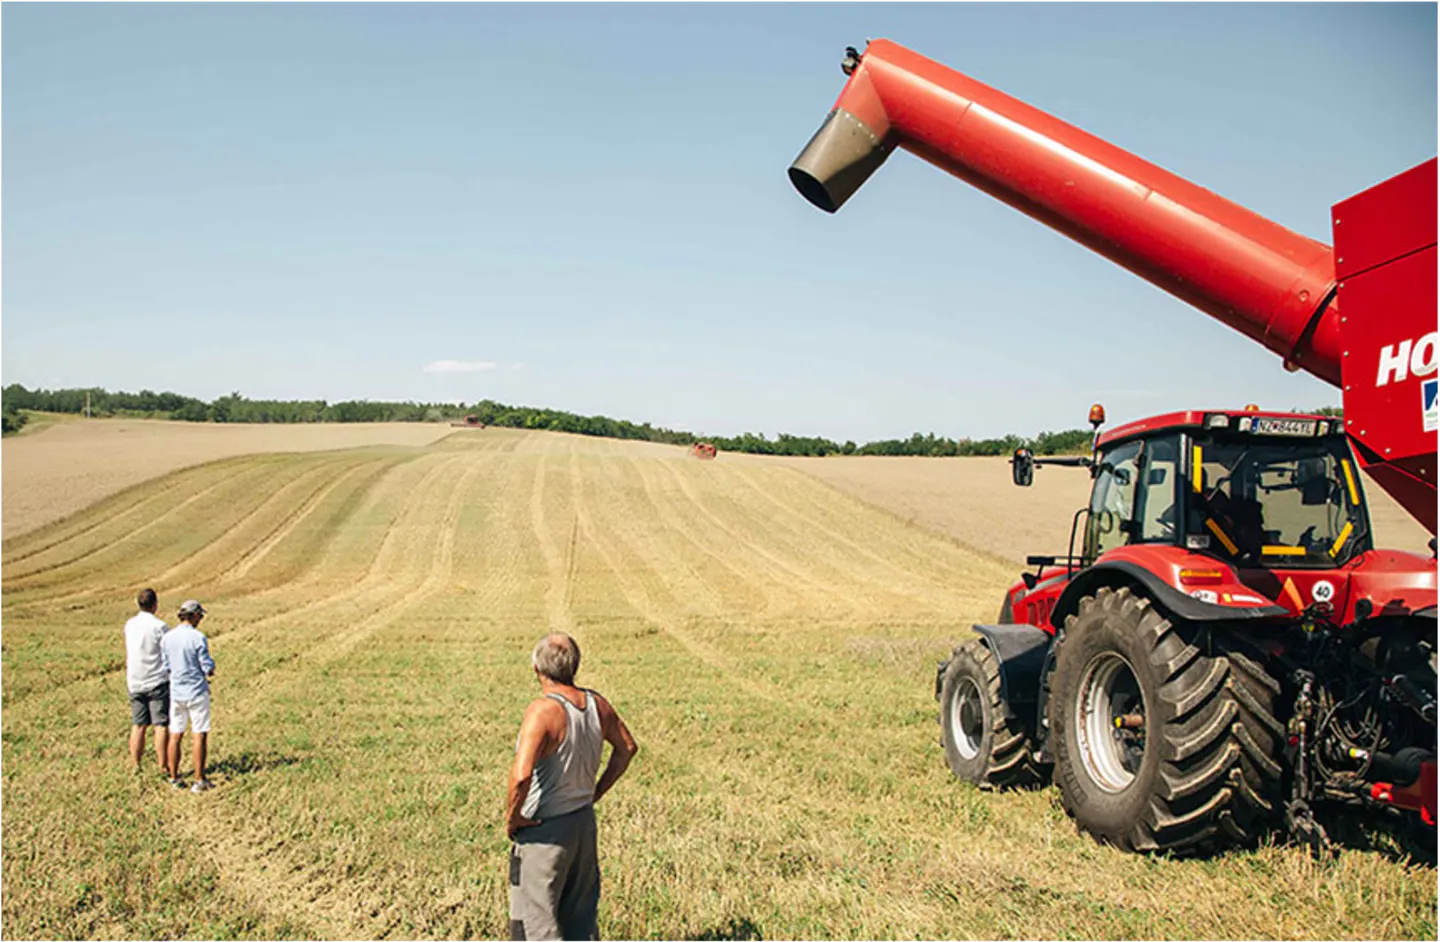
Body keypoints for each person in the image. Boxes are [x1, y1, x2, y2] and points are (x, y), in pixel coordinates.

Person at [507, 633, 638, 941]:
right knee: (580, 919)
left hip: (544, 828)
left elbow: (521, 776)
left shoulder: (542, 711)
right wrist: (595, 793)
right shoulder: (597, 704)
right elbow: (627, 748)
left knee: (536, 922)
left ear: (537, 669)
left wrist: (513, 817)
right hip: (582, 823)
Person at [161, 599, 216, 793]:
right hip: (196, 692)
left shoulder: (167, 638)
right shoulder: (197, 637)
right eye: (199, 615)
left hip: (176, 692)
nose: (200, 618)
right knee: (199, 734)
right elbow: (206, 666)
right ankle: (199, 780)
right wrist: (211, 669)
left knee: (175, 734)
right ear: (193, 616)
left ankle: (174, 777)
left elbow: (166, 665)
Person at [123, 588, 170, 774]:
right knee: (161, 725)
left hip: (135, 679)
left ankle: (135, 765)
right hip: (157, 679)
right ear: (155, 604)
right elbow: (167, 652)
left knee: (138, 725)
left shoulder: (129, 625)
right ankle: (163, 766)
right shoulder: (160, 627)